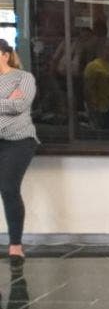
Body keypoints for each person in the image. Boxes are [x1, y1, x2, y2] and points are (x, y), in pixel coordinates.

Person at [0, 40, 39, 265]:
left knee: (8, 188)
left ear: (5, 55)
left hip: (18, 141)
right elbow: (10, 105)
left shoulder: (23, 78)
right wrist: (7, 101)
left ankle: (15, 246)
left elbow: (19, 105)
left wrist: (10, 103)